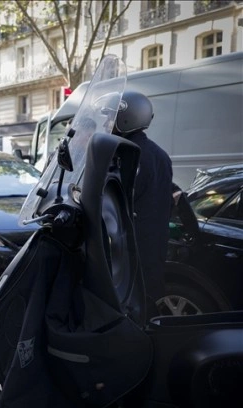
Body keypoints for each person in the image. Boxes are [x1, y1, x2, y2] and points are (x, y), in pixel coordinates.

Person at [111, 90, 173, 318]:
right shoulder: (160, 154)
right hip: (153, 249)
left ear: (123, 118)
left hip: (127, 253)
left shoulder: (123, 154)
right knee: (147, 313)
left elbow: (114, 202)